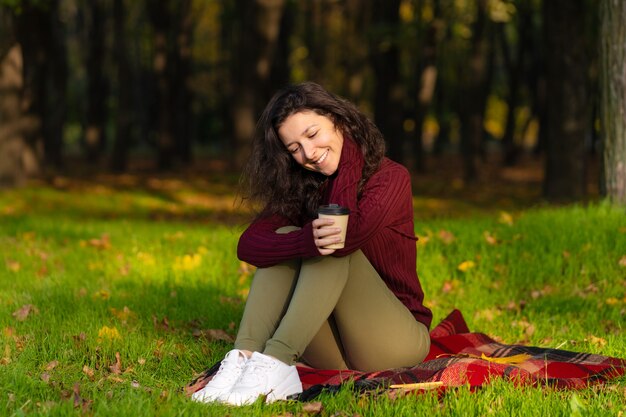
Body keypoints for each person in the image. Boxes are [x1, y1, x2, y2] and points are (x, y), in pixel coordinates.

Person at [192, 82, 432, 406]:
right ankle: (243, 357)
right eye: (294, 148)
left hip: (396, 341)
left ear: (339, 120)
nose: (308, 153)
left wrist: (348, 158)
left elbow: (347, 237)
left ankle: (276, 360)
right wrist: (302, 239)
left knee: (331, 240)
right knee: (290, 238)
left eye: (312, 133)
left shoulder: (390, 178)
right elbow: (249, 246)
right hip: (335, 351)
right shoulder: (305, 186)